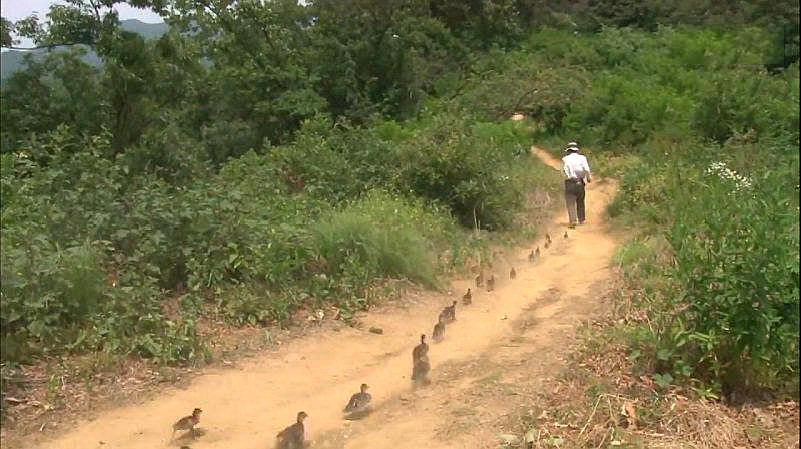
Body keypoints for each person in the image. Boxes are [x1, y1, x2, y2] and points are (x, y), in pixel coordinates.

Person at [561, 141, 591, 229]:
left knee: (570, 202)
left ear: (568, 150)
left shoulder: (565, 159)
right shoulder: (582, 158)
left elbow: (564, 171)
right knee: (580, 200)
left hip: (570, 182)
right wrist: (588, 178)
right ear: (576, 150)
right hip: (580, 182)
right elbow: (586, 169)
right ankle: (581, 219)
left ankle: (573, 220)